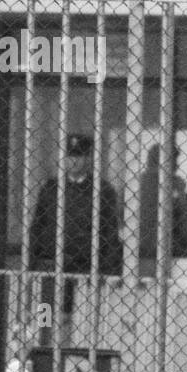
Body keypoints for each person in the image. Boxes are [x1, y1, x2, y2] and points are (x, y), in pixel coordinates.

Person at [27, 134, 123, 336]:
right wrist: (32, 263)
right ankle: (44, 344)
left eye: (79, 156)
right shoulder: (51, 188)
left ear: (89, 158)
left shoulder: (102, 190)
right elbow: (37, 225)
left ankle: (72, 353)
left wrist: (106, 269)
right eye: (70, 156)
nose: (74, 161)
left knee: (80, 323)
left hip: (85, 270)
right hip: (50, 268)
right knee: (45, 317)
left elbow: (110, 233)